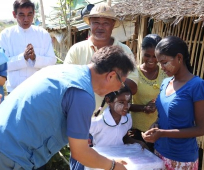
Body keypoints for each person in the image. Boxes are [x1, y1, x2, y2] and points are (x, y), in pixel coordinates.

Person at [0, 46, 135, 170]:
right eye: (122, 83)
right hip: (10, 155)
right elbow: (80, 153)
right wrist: (113, 166)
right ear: (111, 76)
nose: (119, 88)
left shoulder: (62, 70)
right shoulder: (82, 94)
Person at [142, 36, 204, 169]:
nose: (161, 67)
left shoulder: (197, 85)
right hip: (160, 152)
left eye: (164, 62)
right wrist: (155, 126)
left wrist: (162, 133)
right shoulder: (166, 83)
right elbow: (164, 116)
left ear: (179, 58)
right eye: (160, 63)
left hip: (181, 159)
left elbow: (201, 129)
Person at [64, 3, 138, 112]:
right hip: (81, 115)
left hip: (114, 120)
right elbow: (66, 81)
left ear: (113, 25)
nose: (100, 27)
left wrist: (111, 77)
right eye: (96, 22)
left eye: (106, 23)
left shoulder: (124, 51)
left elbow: (133, 87)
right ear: (90, 24)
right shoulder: (76, 49)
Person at [71, 85, 147, 170]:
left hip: (120, 161)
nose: (126, 106)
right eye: (121, 102)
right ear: (108, 100)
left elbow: (124, 138)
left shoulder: (127, 119)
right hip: (102, 163)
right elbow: (80, 142)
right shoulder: (97, 122)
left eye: (128, 102)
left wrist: (137, 142)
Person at [0, 0, 56, 93]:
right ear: (14, 14)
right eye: (21, 15)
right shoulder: (5, 35)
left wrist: (35, 58)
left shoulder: (42, 34)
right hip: (14, 91)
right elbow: (3, 65)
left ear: (34, 13)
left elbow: (52, 61)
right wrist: (23, 58)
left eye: (29, 15)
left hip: (39, 90)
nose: (26, 19)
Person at [128, 34, 167, 152]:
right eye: (147, 55)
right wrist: (143, 108)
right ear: (141, 52)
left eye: (155, 56)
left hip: (160, 130)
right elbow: (123, 104)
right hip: (137, 132)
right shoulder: (133, 74)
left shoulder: (165, 73)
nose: (151, 60)